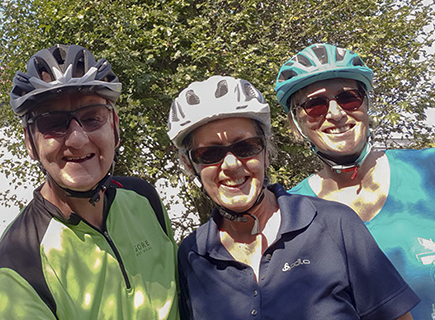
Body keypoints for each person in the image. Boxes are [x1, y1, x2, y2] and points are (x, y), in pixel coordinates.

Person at [167, 75, 418, 319]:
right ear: (189, 165)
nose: (231, 165)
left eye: (246, 147)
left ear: (266, 153)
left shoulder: (334, 224)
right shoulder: (192, 254)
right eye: (210, 154)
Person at [0, 44, 179, 320]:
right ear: (30, 142)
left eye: (92, 118)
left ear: (114, 125)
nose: (77, 139)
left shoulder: (145, 199)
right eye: (53, 123)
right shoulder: (20, 257)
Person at [275, 43, 435, 319]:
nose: (336, 113)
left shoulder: (427, 169)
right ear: (297, 123)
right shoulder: (289, 213)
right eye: (315, 105)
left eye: (349, 98)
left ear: (366, 105)